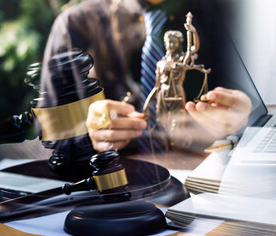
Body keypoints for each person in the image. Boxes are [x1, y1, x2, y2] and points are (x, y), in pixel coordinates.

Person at [41, 0, 252, 153]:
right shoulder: (75, 26)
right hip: (115, 186)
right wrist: (90, 136)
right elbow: (49, 137)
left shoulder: (223, 14)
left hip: (205, 175)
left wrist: (243, 117)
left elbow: (249, 107)